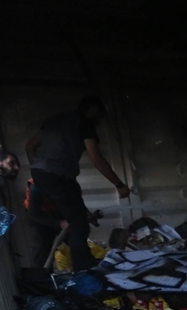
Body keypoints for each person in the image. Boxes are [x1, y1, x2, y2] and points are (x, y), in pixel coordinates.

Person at [25, 96, 130, 272]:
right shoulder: (84, 123)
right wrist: (119, 185)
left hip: (43, 174)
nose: (100, 121)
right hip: (59, 177)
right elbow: (97, 159)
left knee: (75, 214)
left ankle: (84, 261)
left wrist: (38, 168)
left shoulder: (54, 120)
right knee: (78, 227)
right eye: (100, 116)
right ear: (93, 110)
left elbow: (30, 146)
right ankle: (83, 271)